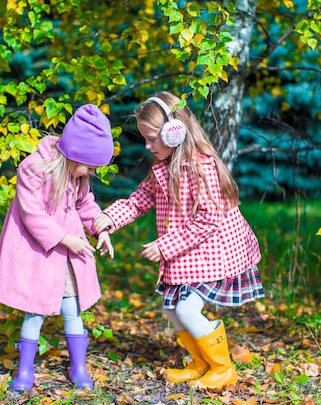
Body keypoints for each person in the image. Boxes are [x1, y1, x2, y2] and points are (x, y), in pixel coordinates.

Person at [93, 91, 264, 391]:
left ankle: (222, 368)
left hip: (218, 252)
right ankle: (200, 362)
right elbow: (139, 199)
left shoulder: (202, 167)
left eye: (151, 138)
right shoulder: (163, 167)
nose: (147, 145)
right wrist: (111, 217)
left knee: (186, 309)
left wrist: (164, 246)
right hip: (191, 254)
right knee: (172, 309)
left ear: (175, 133)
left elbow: (208, 220)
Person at [0, 103, 115, 392]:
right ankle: (24, 372)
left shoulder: (77, 176)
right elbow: (31, 213)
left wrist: (101, 228)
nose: (92, 172)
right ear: (75, 153)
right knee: (35, 312)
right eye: (91, 165)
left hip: (66, 258)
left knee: (73, 309)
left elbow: (85, 205)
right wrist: (63, 238)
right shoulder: (34, 168)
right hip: (40, 254)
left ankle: (78, 369)